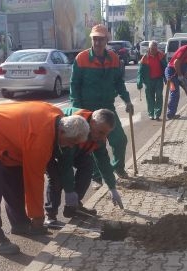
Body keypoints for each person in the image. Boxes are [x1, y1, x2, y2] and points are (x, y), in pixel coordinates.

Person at [0, 101, 90, 255]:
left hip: (8, 139)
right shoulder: (40, 141)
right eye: (71, 142)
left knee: (15, 181)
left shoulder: (58, 117)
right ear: (62, 132)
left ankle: (20, 224)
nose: (70, 147)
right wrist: (37, 216)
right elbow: (34, 180)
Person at [70, 24, 134, 179]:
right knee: (93, 144)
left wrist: (127, 100)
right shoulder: (82, 58)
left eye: (101, 39)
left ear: (107, 40)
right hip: (88, 109)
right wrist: (77, 111)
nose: (97, 42)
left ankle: (117, 167)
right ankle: (96, 175)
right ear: (92, 40)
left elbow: (118, 82)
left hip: (107, 108)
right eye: (95, 39)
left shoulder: (114, 58)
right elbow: (74, 85)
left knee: (119, 140)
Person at [44, 108, 122, 228]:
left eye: (106, 134)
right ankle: (50, 216)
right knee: (57, 178)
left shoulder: (99, 136)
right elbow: (66, 165)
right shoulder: (76, 128)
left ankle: (73, 207)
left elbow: (103, 161)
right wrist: (69, 191)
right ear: (92, 123)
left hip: (75, 149)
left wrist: (112, 187)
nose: (103, 137)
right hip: (50, 149)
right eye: (101, 132)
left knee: (88, 165)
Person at [164, 40, 187, 120]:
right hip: (171, 73)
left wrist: (184, 76)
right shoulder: (185, 49)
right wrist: (180, 76)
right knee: (175, 93)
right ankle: (170, 114)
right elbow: (176, 63)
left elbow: (186, 66)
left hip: (180, 72)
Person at [137, 41, 167, 121]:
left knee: (159, 96)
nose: (154, 50)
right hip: (148, 80)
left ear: (157, 48)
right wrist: (139, 80)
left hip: (158, 79)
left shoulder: (161, 56)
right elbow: (140, 71)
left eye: (155, 48)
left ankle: (157, 114)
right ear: (149, 48)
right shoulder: (145, 57)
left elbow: (166, 67)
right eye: (152, 48)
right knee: (150, 98)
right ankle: (151, 113)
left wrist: (167, 77)